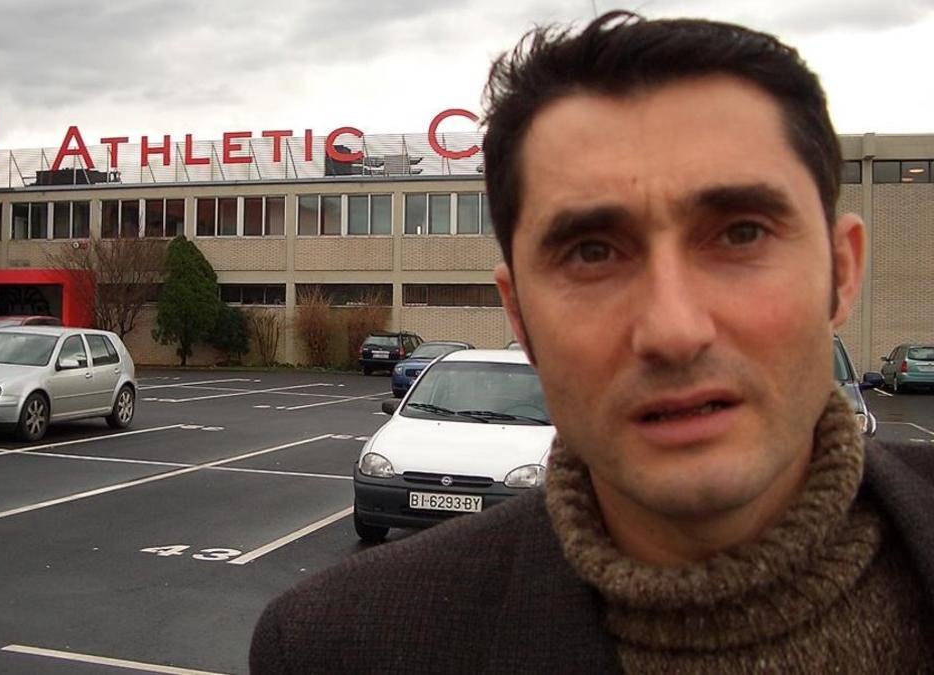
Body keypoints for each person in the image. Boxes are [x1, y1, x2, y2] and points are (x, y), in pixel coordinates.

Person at [250, 10, 934, 673]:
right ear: (519, 314)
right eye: (591, 252)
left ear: (841, 273)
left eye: (741, 234)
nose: (672, 329)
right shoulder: (337, 648)